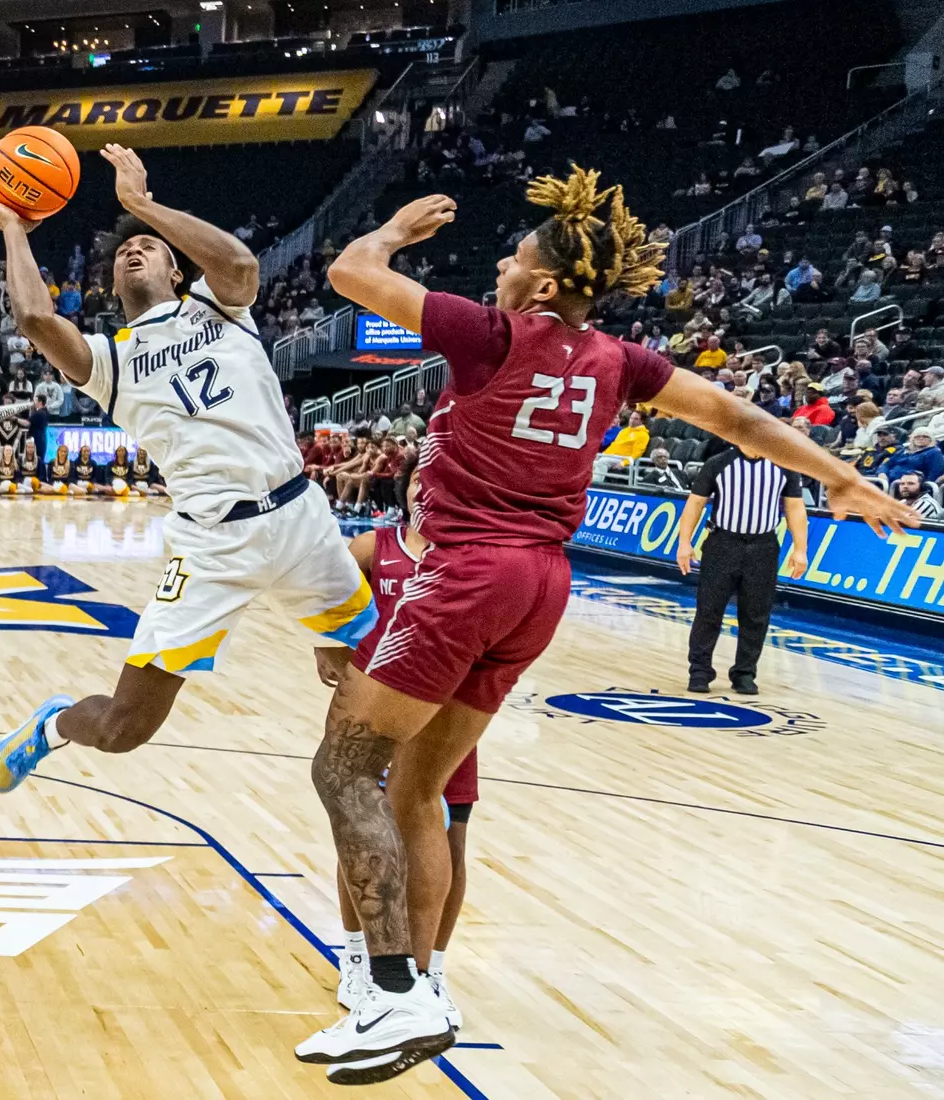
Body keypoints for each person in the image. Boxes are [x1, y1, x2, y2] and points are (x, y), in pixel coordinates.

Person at [308, 169, 918, 1084]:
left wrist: (392, 229)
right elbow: (739, 415)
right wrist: (836, 476)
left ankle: (391, 995)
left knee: (345, 764)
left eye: (515, 259)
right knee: (416, 793)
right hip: (542, 586)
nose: (504, 269)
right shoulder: (621, 362)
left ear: (544, 286)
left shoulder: (489, 335)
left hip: (469, 571)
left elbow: (351, 273)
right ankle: (423, 987)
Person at [0, 143, 376, 796]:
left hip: (301, 518)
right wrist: (14, 228)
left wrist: (143, 206)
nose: (133, 250)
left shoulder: (223, 309)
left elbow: (241, 262)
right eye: (122, 252)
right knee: (122, 729)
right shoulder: (110, 360)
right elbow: (33, 317)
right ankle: (51, 727)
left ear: (176, 268)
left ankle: (391, 787)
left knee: (371, 667)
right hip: (211, 542)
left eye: (149, 247)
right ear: (111, 284)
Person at [315, 472, 473, 1028]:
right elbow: (324, 580)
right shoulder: (376, 546)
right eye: (418, 487)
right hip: (377, 710)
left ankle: (432, 973)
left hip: (446, 715)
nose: (427, 495)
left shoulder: (468, 558)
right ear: (405, 494)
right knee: (360, 833)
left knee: (450, 839)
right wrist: (327, 641)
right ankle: (357, 958)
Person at [677, 446, 810, 693]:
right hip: (722, 543)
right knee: (708, 610)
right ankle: (699, 671)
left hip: (763, 546)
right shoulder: (718, 462)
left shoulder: (784, 465)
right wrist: (684, 543)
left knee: (756, 613)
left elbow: (794, 507)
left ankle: (745, 672)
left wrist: (800, 549)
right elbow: (695, 503)